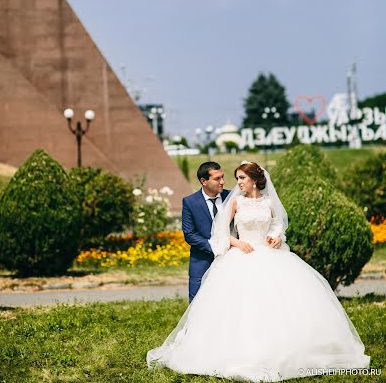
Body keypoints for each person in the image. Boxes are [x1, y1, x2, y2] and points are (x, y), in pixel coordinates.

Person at [147, 161, 370, 381]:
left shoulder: (269, 202)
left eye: (241, 178)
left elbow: (278, 225)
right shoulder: (234, 202)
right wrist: (237, 243)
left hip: (270, 257)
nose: (235, 183)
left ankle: (285, 348)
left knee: (277, 303)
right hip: (241, 257)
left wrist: (277, 237)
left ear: (254, 180)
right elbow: (220, 232)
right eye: (235, 179)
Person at [182, 161, 230, 302]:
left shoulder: (232, 197)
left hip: (231, 260)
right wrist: (215, 248)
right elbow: (189, 234)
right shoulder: (190, 202)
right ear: (203, 181)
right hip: (201, 262)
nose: (222, 182)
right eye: (217, 178)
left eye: (222, 177)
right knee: (197, 304)